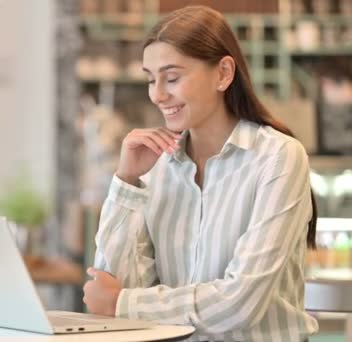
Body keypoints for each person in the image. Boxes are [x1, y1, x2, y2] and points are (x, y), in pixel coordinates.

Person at [82, 5, 319, 341]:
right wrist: (126, 181)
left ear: (223, 73)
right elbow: (112, 282)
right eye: (151, 79)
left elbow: (242, 301)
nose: (158, 94)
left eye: (172, 77)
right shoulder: (157, 166)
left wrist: (123, 303)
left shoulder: (278, 157)